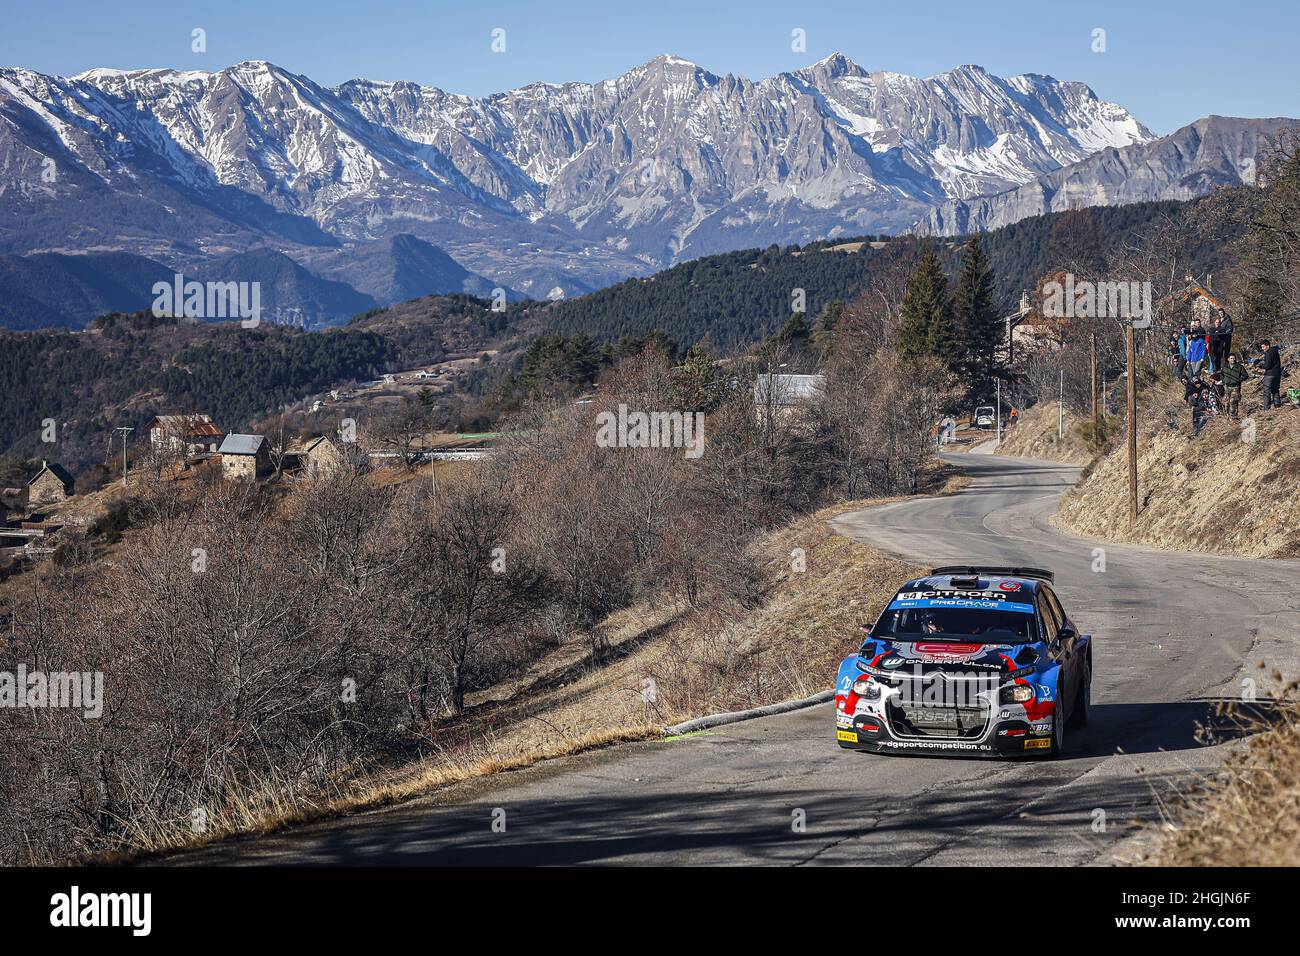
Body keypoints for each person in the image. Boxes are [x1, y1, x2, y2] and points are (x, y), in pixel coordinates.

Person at [1260, 339, 1282, 409]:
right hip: (1277, 373)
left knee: (1267, 391)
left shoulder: (1268, 353)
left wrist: (1261, 366)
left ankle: (1267, 408)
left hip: (1269, 374)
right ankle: (1277, 404)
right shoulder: (1276, 351)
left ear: (1267, 346)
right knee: (1275, 389)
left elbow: (1267, 365)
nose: (1262, 349)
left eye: (1263, 347)